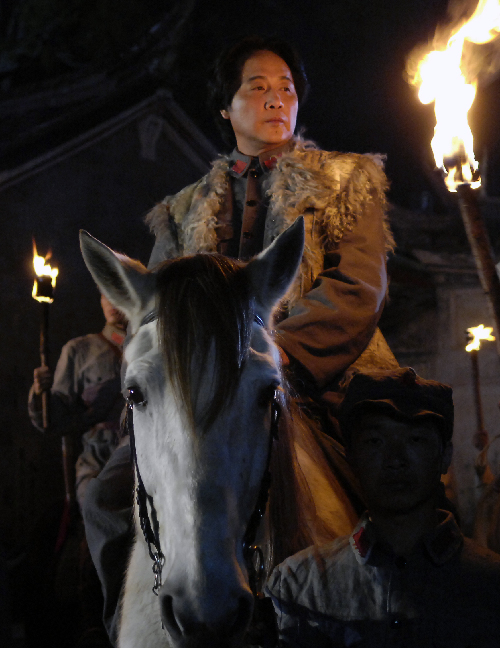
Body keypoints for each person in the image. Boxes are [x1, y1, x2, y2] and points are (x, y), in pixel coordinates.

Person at [82, 35, 398, 643]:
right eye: (258, 87)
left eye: (287, 88)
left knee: (401, 479)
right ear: (226, 107)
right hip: (201, 390)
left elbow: (356, 289)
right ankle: (128, 621)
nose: (277, 99)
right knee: (104, 497)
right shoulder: (180, 210)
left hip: (319, 376)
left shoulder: (347, 181)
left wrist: (281, 359)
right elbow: (157, 313)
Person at [266, 367, 500, 647]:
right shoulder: (297, 586)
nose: (395, 460)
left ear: (445, 456)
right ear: (352, 456)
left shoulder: (491, 587)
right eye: (375, 442)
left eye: (415, 440)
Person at [29, 292, 127, 508]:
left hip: (145, 458)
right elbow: (53, 419)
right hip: (98, 460)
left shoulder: (153, 348)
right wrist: (40, 393)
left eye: (117, 291)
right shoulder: (80, 350)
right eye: (105, 294)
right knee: (96, 503)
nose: (111, 301)